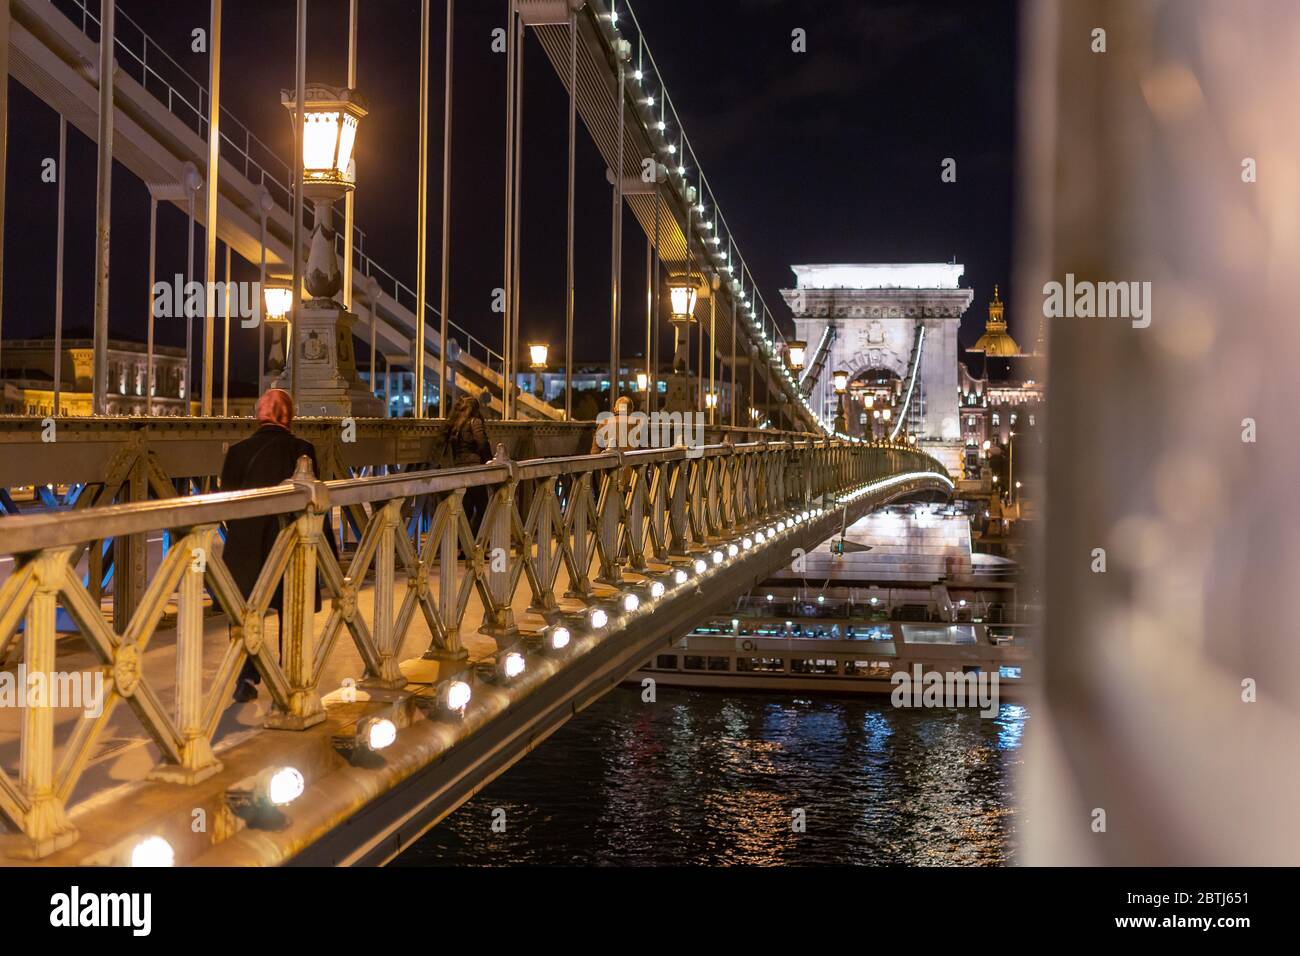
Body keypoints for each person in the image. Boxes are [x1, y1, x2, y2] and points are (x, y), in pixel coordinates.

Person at [219, 388, 332, 703]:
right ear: (290, 417)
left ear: (259, 416)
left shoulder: (239, 452)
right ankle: (288, 672)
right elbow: (315, 502)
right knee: (290, 606)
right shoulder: (303, 450)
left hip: (247, 545)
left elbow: (227, 497)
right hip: (291, 543)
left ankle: (245, 677)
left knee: (244, 610)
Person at [446, 392, 492, 536]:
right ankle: (474, 543)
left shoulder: (456, 425)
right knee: (482, 506)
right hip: (474, 469)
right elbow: (482, 443)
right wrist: (489, 461)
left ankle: (461, 545)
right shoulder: (475, 422)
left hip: (459, 469)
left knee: (465, 508)